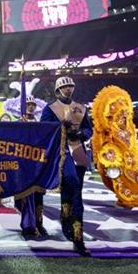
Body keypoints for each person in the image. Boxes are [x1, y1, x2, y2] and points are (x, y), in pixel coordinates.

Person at [41, 77, 93, 256]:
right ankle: (76, 234)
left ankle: (71, 225)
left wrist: (81, 134)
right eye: (64, 87)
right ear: (58, 90)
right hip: (61, 151)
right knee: (71, 182)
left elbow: (89, 129)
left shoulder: (81, 107)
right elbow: (44, 129)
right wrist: (60, 127)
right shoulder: (50, 108)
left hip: (78, 150)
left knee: (76, 190)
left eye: (70, 86)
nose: (68, 89)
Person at [15, 96, 48, 238]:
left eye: (32, 104)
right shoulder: (17, 123)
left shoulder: (41, 124)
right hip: (22, 165)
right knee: (23, 196)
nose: (30, 107)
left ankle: (39, 223)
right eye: (28, 104)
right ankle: (27, 224)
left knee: (38, 195)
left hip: (37, 165)